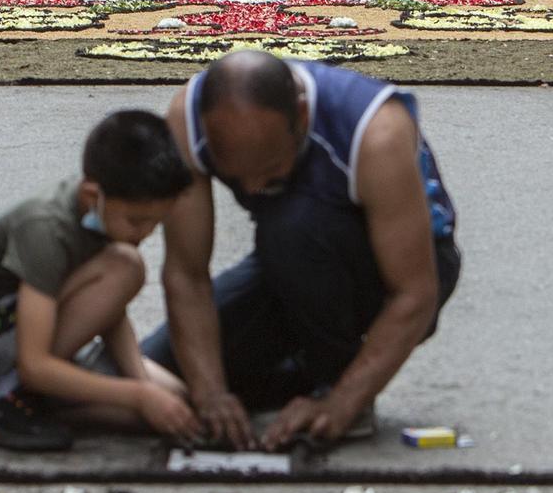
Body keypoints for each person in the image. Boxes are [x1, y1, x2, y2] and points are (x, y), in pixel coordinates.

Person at [141, 51, 461, 449]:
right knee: (153, 379)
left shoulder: (376, 132)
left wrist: (341, 400)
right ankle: (289, 377)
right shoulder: (188, 121)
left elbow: (415, 293)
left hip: (400, 270)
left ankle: (330, 378)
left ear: (303, 116)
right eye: (238, 176)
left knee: (291, 224)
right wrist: (210, 394)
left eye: (270, 169)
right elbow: (186, 274)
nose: (254, 189)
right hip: (287, 263)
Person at [0, 110, 199, 452]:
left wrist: (146, 390)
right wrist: (138, 394)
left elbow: (109, 311)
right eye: (136, 220)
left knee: (174, 403)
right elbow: (34, 364)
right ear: (91, 195)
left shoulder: (101, 212)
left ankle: (35, 406)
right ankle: (5, 400)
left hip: (32, 337)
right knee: (127, 265)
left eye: (155, 223)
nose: (145, 233)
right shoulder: (45, 226)